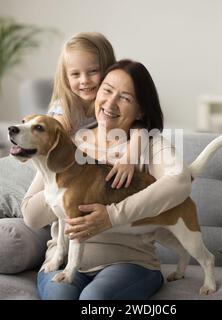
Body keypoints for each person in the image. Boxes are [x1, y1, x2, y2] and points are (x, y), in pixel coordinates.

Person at [22, 59, 192, 300]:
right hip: (63, 263)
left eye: (125, 98)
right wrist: (67, 179)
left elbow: (181, 181)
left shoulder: (148, 145)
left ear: (141, 110)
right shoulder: (65, 143)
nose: (110, 103)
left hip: (130, 264)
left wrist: (113, 215)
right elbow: (31, 215)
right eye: (107, 90)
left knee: (95, 300)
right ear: (97, 93)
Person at [48, 32, 139, 188]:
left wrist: (129, 158)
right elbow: (52, 135)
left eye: (93, 71)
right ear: (66, 77)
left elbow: (140, 128)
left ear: (108, 69)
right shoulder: (64, 107)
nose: (84, 80)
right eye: (75, 74)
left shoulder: (109, 106)